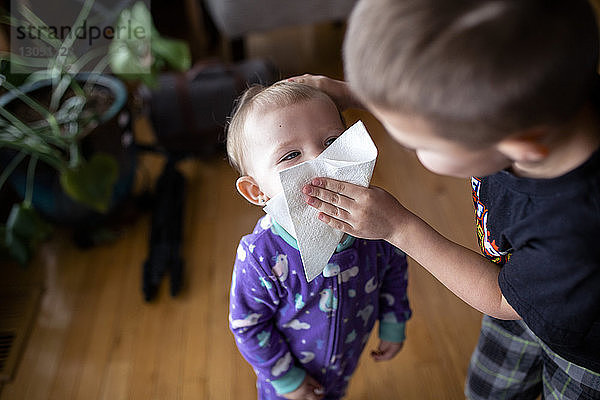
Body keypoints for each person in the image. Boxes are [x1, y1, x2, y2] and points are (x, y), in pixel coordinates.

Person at [293, 0, 600, 398]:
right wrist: (356, 93)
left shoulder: (576, 231)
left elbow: (501, 298)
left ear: (520, 144)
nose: (405, 145)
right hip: (525, 281)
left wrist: (397, 226)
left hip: (582, 351)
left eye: (419, 142)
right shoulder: (543, 98)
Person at [226, 81, 412, 400]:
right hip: (287, 381)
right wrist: (288, 380)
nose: (319, 160)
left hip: (347, 358)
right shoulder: (261, 255)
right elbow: (248, 325)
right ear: (257, 191)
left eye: (331, 141)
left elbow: (395, 268)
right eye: (291, 154)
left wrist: (394, 320)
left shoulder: (375, 219)